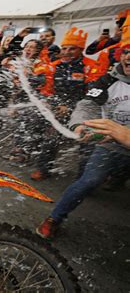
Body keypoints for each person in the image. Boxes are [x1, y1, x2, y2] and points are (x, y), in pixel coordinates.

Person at [36, 44, 130, 239]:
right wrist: (79, 125)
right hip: (110, 146)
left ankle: (117, 181)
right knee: (89, 180)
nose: (129, 57)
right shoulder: (107, 81)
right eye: (127, 52)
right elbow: (86, 106)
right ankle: (54, 218)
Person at [30, 27, 105, 181]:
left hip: (85, 111)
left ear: (81, 50)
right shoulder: (54, 66)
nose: (66, 52)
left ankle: (84, 177)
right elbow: (47, 90)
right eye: (64, 48)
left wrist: (70, 106)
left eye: (72, 49)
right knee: (50, 138)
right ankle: (43, 169)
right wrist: (52, 104)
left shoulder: (91, 66)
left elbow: (93, 94)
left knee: (87, 143)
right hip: (59, 108)